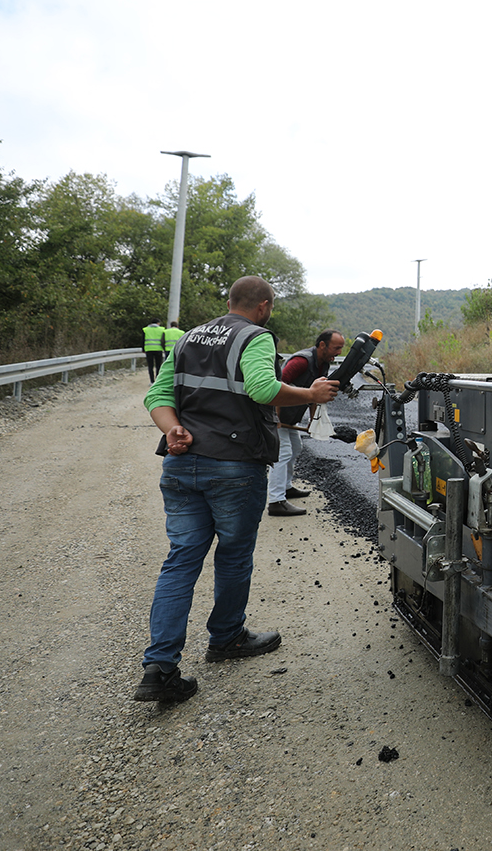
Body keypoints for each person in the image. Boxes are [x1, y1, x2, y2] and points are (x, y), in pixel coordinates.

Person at [134, 276, 339, 703]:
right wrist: (311, 393)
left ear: (229, 301)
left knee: (181, 558)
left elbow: (157, 393)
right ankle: (226, 638)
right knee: (233, 554)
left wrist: (174, 430)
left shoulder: (189, 337)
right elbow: (263, 389)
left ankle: (160, 667)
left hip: (181, 464)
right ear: (263, 306)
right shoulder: (256, 336)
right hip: (233, 466)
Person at [267, 329, 345, 517]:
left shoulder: (323, 364)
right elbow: (276, 386)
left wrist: (312, 421)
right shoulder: (301, 361)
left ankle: (286, 487)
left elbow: (314, 396)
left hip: (290, 417)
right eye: (336, 348)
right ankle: (276, 501)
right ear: (322, 345)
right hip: (276, 416)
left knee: (295, 447)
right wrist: (275, 417)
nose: (339, 353)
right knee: (283, 453)